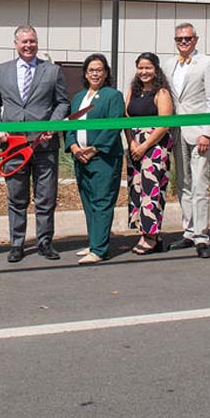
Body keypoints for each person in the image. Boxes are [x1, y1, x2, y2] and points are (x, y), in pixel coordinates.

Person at [0, 25, 70, 263]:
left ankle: (45, 242)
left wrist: (52, 126)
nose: (28, 45)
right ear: (15, 44)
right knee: (16, 197)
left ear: (37, 43)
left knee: (46, 198)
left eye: (32, 41)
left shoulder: (52, 71)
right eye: (24, 41)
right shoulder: (1, 71)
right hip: (13, 145)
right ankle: (17, 243)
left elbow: (63, 103)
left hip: (44, 146)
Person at [166, 22, 210, 258]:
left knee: (200, 184)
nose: (184, 42)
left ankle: (201, 236)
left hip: (199, 133)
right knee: (183, 183)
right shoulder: (169, 64)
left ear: (195, 40)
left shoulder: (207, 63)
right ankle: (188, 231)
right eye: (179, 39)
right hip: (177, 132)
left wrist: (208, 132)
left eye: (187, 38)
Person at [66, 54, 126, 264]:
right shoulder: (78, 98)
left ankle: (99, 250)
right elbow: (70, 125)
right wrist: (74, 147)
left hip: (104, 159)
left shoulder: (113, 96)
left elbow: (113, 126)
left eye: (99, 70)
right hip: (80, 157)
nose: (95, 74)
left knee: (101, 202)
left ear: (106, 73)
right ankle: (94, 242)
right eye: (91, 70)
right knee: (88, 202)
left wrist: (94, 149)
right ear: (85, 73)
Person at [125, 53, 175, 255]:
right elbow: (126, 117)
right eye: (141, 68)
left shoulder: (161, 93)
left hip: (155, 147)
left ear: (156, 69)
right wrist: (131, 142)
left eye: (148, 68)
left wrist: (144, 145)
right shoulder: (133, 91)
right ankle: (145, 232)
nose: (144, 72)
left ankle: (151, 237)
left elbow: (164, 124)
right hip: (134, 145)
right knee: (137, 189)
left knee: (151, 190)